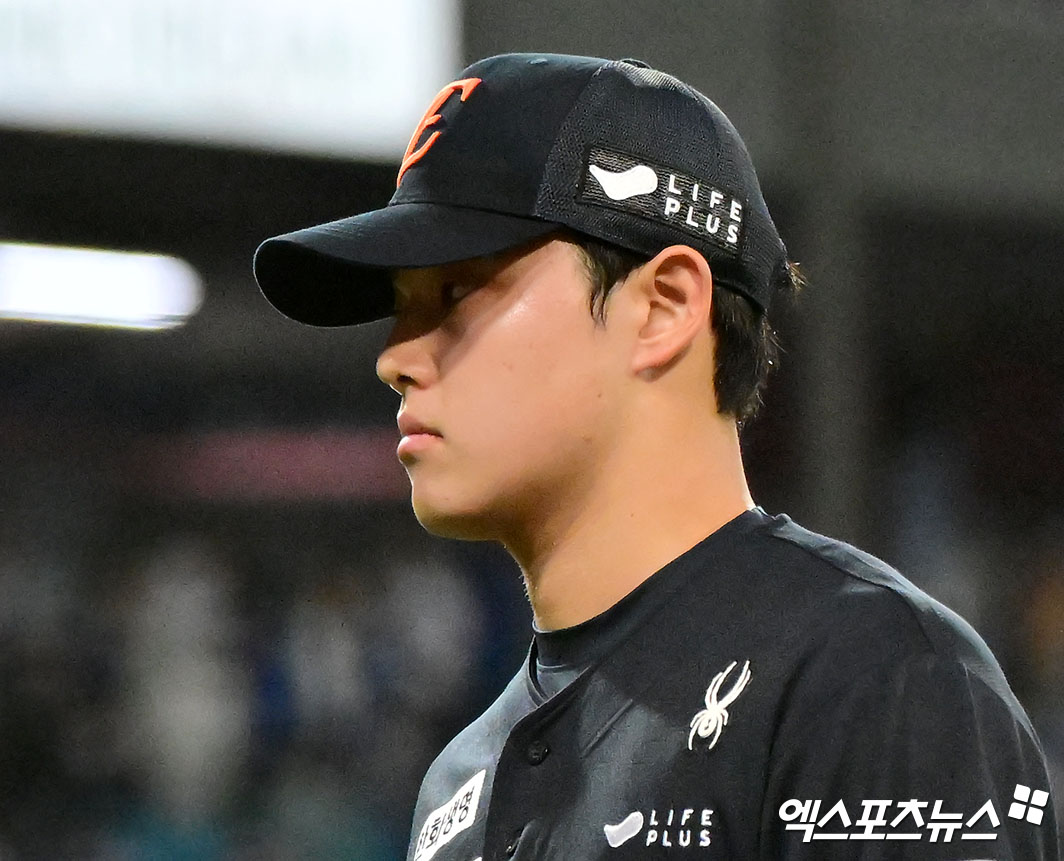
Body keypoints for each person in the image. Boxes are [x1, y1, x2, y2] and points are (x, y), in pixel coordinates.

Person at [253, 53, 1058, 860]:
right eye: (401, 308)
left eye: (456, 292)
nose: (395, 357)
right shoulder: (458, 786)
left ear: (664, 307)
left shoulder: (874, 679)